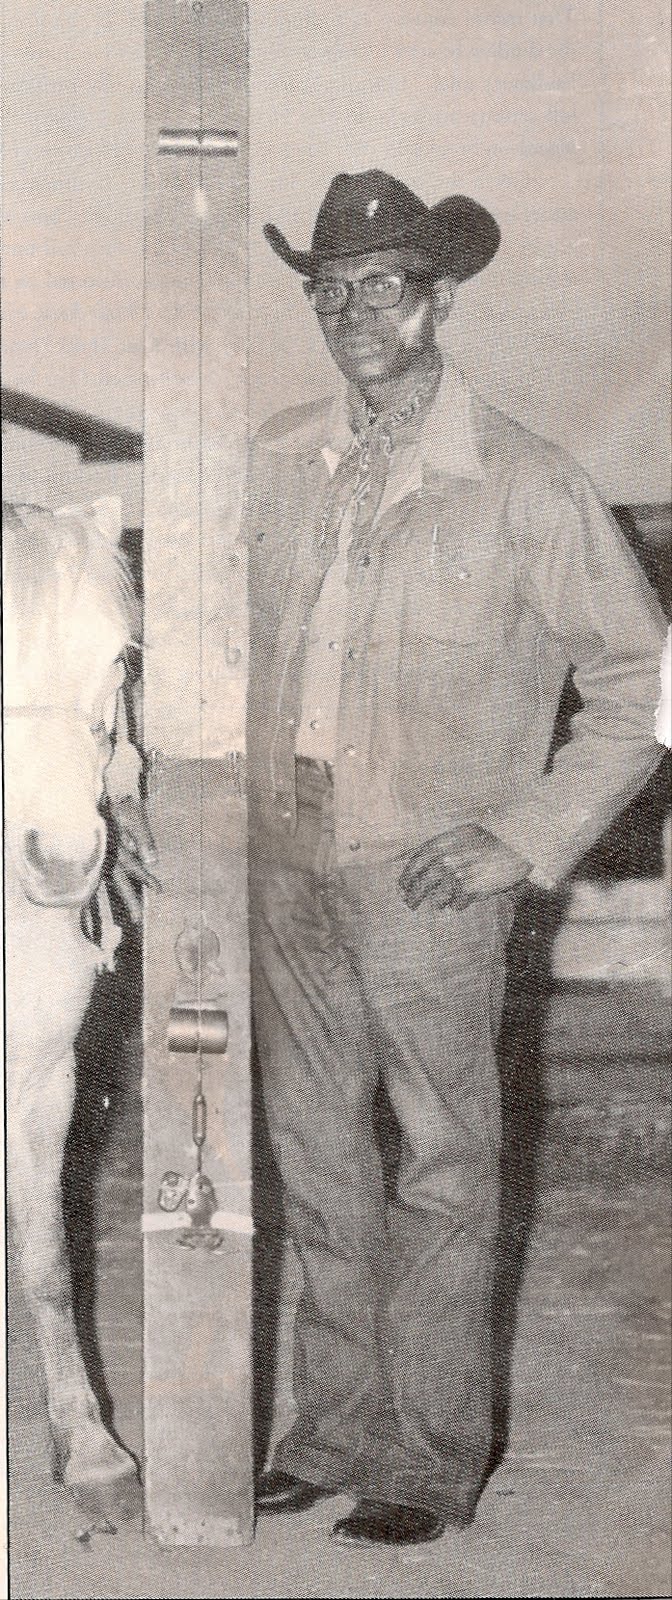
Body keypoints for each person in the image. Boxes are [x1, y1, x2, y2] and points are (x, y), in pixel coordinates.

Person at [247, 168, 666, 1548]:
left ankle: (427, 1457)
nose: (355, 315)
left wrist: (521, 838)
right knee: (316, 1156)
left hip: (429, 879)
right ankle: (331, 1430)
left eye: (383, 288)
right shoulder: (274, 458)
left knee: (440, 1164)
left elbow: (645, 688)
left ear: (437, 302)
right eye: (331, 291)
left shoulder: (528, 482)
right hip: (285, 859)